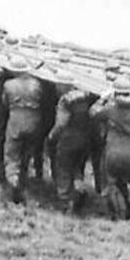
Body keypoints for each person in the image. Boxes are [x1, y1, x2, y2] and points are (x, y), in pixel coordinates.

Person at [91, 76, 130, 220]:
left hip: (114, 150)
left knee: (112, 184)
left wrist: (103, 99)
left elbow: (93, 113)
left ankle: (119, 215)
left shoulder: (112, 108)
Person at [1, 56, 47, 203]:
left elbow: (4, 103)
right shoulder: (37, 84)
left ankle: (13, 182)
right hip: (34, 122)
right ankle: (22, 182)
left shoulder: (8, 85)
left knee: (12, 154)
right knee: (26, 155)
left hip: (16, 120)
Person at [47, 81, 98, 212]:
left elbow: (61, 123)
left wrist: (52, 136)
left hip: (68, 140)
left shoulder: (66, 101)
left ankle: (65, 202)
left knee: (63, 169)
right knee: (77, 169)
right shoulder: (88, 99)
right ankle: (79, 189)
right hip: (84, 139)